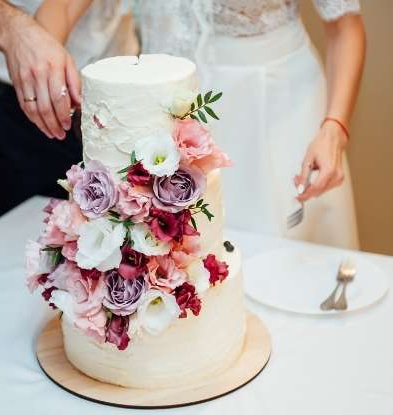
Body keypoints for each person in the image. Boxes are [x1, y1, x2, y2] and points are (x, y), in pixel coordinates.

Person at [135, 0, 366, 249]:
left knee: (279, 262)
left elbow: (345, 27)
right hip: (165, 108)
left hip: (269, 110)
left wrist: (334, 129)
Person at [0, 0, 137, 222]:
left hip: (116, 87)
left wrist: (41, 56)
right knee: (24, 235)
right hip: (16, 99)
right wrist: (21, 37)